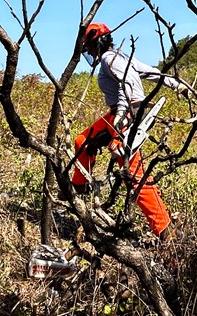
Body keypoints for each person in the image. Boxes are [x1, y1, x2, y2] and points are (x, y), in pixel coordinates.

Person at [71, 22, 184, 239]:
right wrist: (174, 84)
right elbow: (150, 72)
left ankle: (165, 229)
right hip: (118, 115)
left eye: (90, 47)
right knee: (82, 141)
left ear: (96, 44)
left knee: (132, 174)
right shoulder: (120, 58)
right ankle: (79, 188)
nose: (90, 53)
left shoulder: (109, 59)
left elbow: (127, 87)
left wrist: (123, 114)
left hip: (125, 115)